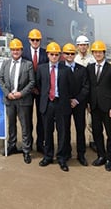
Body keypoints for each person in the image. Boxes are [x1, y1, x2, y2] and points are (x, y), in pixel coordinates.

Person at [0, 38, 35, 164]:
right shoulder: (5, 63)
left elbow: (32, 82)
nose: (15, 52)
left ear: (21, 50)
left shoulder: (28, 64)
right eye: (13, 49)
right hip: (10, 100)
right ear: (10, 51)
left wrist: (21, 93)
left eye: (17, 49)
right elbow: (1, 79)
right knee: (11, 125)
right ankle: (11, 145)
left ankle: (26, 150)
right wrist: (8, 94)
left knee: (25, 126)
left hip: (23, 100)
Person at [37, 42, 72, 172]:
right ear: (48, 55)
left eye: (56, 54)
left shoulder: (66, 70)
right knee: (47, 131)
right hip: (47, 103)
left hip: (61, 104)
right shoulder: (41, 68)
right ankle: (48, 156)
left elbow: (70, 87)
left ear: (59, 56)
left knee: (62, 132)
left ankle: (62, 157)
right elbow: (39, 85)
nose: (54, 57)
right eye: (52, 54)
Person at [87, 40, 111, 172]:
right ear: (93, 53)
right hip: (94, 106)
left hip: (108, 107)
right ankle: (101, 155)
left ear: (104, 53)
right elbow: (89, 87)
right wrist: (89, 103)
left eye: (100, 52)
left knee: (110, 134)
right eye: (95, 52)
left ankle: (110, 159)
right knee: (96, 132)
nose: (98, 54)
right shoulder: (89, 68)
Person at [62, 43, 90, 166]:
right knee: (65, 129)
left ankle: (81, 154)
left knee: (80, 130)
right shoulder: (60, 68)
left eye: (72, 53)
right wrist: (67, 100)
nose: (69, 55)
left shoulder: (82, 69)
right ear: (63, 55)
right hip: (64, 104)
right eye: (67, 53)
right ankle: (66, 152)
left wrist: (76, 100)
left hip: (79, 104)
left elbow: (86, 87)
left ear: (75, 54)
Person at [21, 28, 48, 153]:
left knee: (41, 118)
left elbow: (47, 73)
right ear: (29, 40)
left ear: (40, 40)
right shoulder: (24, 53)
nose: (35, 42)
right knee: (27, 119)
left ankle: (40, 143)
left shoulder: (45, 53)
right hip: (27, 91)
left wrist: (40, 88)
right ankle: (28, 143)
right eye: (33, 40)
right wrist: (30, 88)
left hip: (42, 92)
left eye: (37, 40)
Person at [74, 35, 96, 152]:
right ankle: (80, 143)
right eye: (81, 45)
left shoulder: (92, 59)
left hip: (90, 93)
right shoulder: (74, 59)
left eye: (85, 45)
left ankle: (92, 140)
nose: (83, 47)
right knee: (80, 121)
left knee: (92, 120)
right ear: (77, 46)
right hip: (78, 95)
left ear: (88, 46)